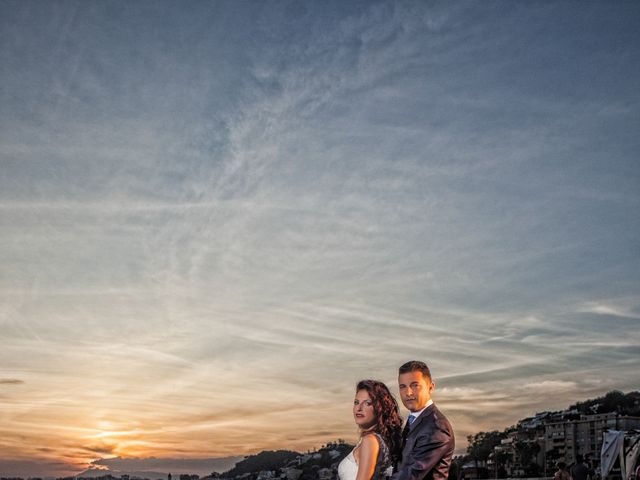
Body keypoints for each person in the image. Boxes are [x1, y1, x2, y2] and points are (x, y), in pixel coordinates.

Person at [392, 360, 455, 480]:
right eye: (403, 387)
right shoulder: (415, 420)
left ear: (431, 387)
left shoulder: (437, 427)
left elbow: (411, 475)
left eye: (415, 385)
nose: (408, 393)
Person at [338, 379, 403, 480]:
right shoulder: (377, 439)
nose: (359, 408)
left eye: (367, 403)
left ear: (380, 408)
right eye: (356, 402)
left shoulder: (370, 441)